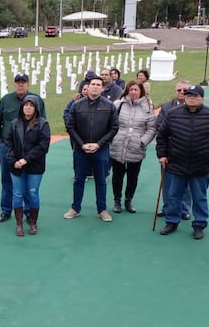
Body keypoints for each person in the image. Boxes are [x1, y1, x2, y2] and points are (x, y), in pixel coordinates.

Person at [156, 85, 209, 239]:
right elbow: (161, 135)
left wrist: (208, 147)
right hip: (176, 164)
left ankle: (199, 224)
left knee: (199, 196)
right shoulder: (172, 114)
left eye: (195, 96)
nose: (190, 98)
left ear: (202, 98)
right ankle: (172, 221)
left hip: (201, 165)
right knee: (173, 195)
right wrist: (162, 154)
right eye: (188, 95)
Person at [64, 76, 119, 222]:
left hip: (100, 149)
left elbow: (114, 128)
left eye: (98, 85)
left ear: (102, 88)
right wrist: (81, 144)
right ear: (88, 87)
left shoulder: (109, 106)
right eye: (92, 84)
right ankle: (75, 208)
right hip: (81, 149)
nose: (95, 87)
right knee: (79, 179)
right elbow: (70, 126)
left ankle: (102, 209)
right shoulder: (77, 105)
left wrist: (99, 144)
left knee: (101, 180)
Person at [0, 73, 45, 222]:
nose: (20, 85)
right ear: (14, 84)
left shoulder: (37, 100)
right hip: (8, 149)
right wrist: (1, 144)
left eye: (23, 82)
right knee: (7, 179)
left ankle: (28, 212)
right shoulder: (5, 101)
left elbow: (43, 124)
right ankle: (6, 210)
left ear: (28, 84)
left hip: (29, 150)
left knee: (28, 181)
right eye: (18, 83)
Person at [4, 96, 50, 236]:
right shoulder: (14, 124)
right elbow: (9, 144)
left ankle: (33, 221)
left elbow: (43, 146)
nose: (28, 107)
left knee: (32, 193)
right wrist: (14, 161)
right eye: (26, 105)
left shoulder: (42, 124)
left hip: (34, 166)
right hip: (16, 166)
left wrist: (26, 160)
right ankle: (19, 224)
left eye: (31, 105)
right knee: (17, 194)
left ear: (36, 108)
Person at [110, 80, 157, 214]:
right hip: (118, 144)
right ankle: (117, 200)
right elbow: (111, 123)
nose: (133, 92)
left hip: (136, 147)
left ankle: (128, 200)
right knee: (117, 175)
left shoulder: (147, 107)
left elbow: (151, 128)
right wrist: (113, 138)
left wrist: (142, 141)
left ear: (141, 91)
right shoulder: (119, 104)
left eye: (136, 90)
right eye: (131, 89)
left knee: (133, 176)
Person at [157, 80, 192, 219]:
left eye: (185, 90)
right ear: (175, 91)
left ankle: (184, 209)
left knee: (186, 182)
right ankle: (167, 207)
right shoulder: (166, 107)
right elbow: (159, 126)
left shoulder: (195, 107)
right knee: (167, 182)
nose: (182, 93)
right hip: (169, 150)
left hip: (187, 152)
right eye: (179, 90)